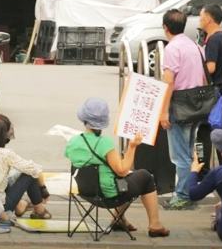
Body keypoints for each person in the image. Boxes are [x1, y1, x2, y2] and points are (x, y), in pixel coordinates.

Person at [65, 98, 170, 237]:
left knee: (123, 179)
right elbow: (122, 169)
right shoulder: (105, 143)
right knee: (145, 177)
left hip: (86, 191)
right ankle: (155, 225)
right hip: (109, 195)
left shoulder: (73, 141)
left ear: (84, 119)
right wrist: (132, 147)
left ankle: (118, 220)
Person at [159, 9, 205, 210]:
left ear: (165, 27)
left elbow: (169, 82)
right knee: (188, 151)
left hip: (179, 106)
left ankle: (183, 196)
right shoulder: (195, 46)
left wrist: (164, 111)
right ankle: (188, 192)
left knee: (180, 155)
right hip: (196, 106)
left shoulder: (172, 48)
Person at [0, 114, 51, 219]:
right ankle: (40, 210)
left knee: (7, 176)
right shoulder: (6, 154)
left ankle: (20, 205)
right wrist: (43, 190)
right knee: (29, 174)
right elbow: (35, 170)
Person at [189, 125, 222, 244]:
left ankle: (218, 218)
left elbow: (193, 195)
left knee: (219, 209)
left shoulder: (218, 172)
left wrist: (194, 171)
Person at [199, 4, 222, 90]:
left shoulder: (214, 39)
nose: (199, 20)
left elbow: (211, 68)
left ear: (208, 19)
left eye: (201, 16)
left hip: (216, 87)